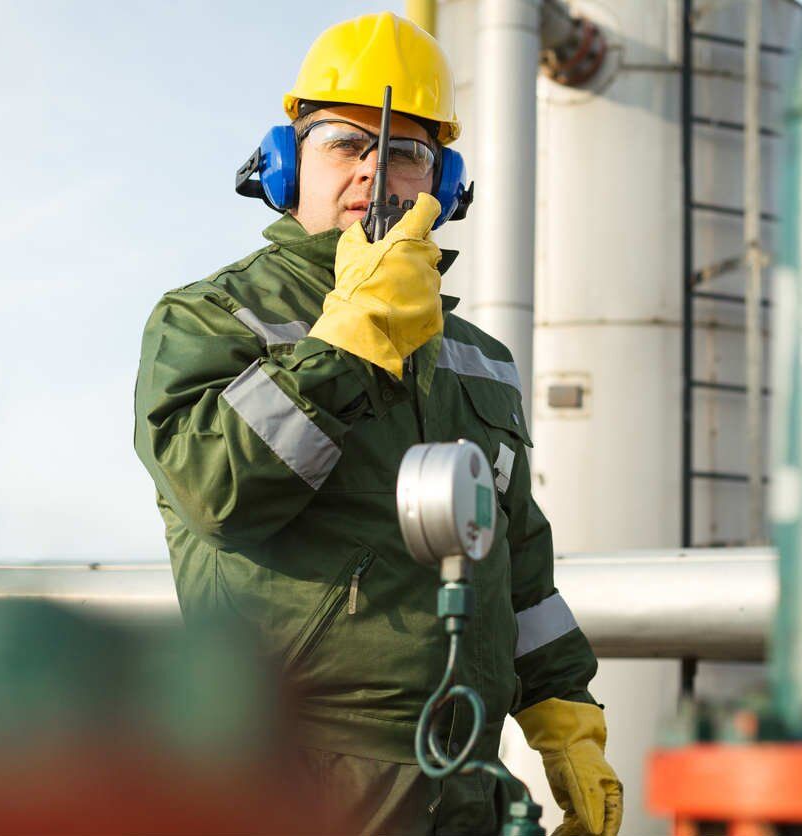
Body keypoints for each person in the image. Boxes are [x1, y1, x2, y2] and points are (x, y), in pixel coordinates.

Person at [133, 12, 622, 836]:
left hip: (468, 775)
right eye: (342, 142)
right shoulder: (212, 318)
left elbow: (519, 569)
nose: (373, 170)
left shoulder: (478, 358)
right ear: (288, 163)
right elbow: (221, 494)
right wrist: (350, 340)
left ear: (445, 183)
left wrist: (566, 715)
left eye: (404, 152)